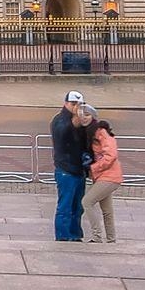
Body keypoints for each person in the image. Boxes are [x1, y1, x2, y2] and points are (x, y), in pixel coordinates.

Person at [51, 90, 90, 241]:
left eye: (79, 105)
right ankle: (63, 236)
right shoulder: (60, 120)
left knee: (78, 207)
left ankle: (75, 235)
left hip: (78, 169)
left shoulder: (80, 121)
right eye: (73, 104)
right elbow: (61, 133)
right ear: (66, 103)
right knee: (65, 206)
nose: (76, 107)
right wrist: (74, 122)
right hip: (66, 170)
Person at [83, 115, 123, 244]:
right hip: (102, 176)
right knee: (107, 210)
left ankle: (97, 236)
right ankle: (111, 239)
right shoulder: (91, 133)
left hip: (109, 176)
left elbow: (111, 155)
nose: (84, 118)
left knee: (87, 202)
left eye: (87, 115)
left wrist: (93, 168)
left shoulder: (101, 132)